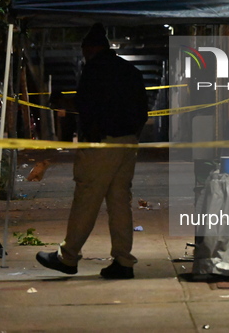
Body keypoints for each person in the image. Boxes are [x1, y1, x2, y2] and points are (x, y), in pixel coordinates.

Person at [36, 23, 148, 279]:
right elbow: (143, 110)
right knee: (120, 202)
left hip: (101, 143)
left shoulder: (94, 69)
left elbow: (85, 105)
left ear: (90, 48)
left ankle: (68, 257)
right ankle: (123, 261)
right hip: (127, 142)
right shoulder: (129, 70)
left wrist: (61, 101)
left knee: (86, 197)